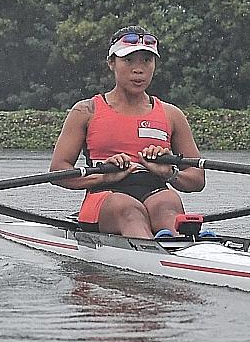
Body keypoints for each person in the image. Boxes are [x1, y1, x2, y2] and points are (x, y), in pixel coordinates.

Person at [49, 25, 205, 238]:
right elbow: (58, 172)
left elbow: (197, 178)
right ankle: (155, 255)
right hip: (104, 195)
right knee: (129, 211)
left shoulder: (171, 115)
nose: (138, 69)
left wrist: (170, 173)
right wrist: (105, 176)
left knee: (168, 204)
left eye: (146, 60)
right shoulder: (86, 111)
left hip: (156, 191)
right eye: (128, 60)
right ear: (111, 63)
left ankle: (185, 247)